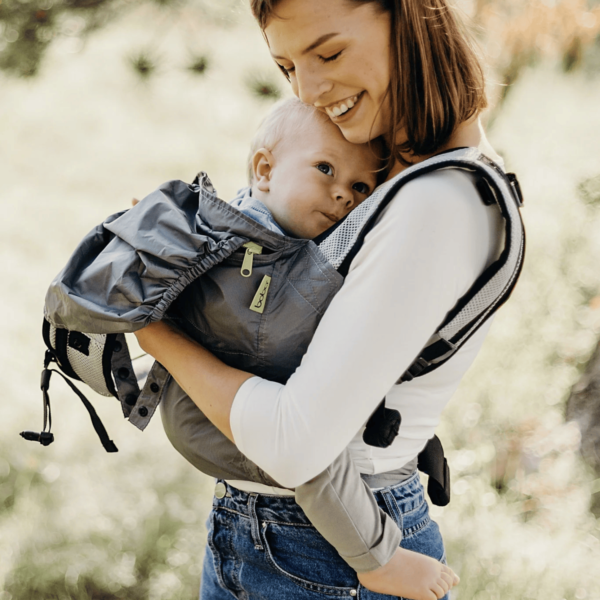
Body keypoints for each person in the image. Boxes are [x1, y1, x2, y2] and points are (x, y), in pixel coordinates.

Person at [134, 0, 508, 598]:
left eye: (328, 52)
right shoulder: (407, 179)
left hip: (327, 552)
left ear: (409, 19)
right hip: (278, 535)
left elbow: (294, 441)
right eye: (287, 68)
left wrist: (155, 332)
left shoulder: (436, 203)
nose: (307, 90)